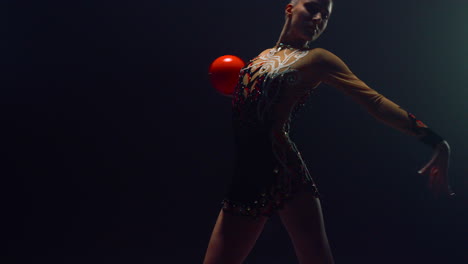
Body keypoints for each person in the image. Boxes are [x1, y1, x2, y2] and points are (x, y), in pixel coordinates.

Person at [203, 0, 453, 263]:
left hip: (286, 176)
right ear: (290, 8)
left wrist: (436, 142)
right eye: (313, 8)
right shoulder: (259, 58)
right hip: (246, 178)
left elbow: (376, 102)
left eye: (325, 14)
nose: (319, 17)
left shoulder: (317, 59)